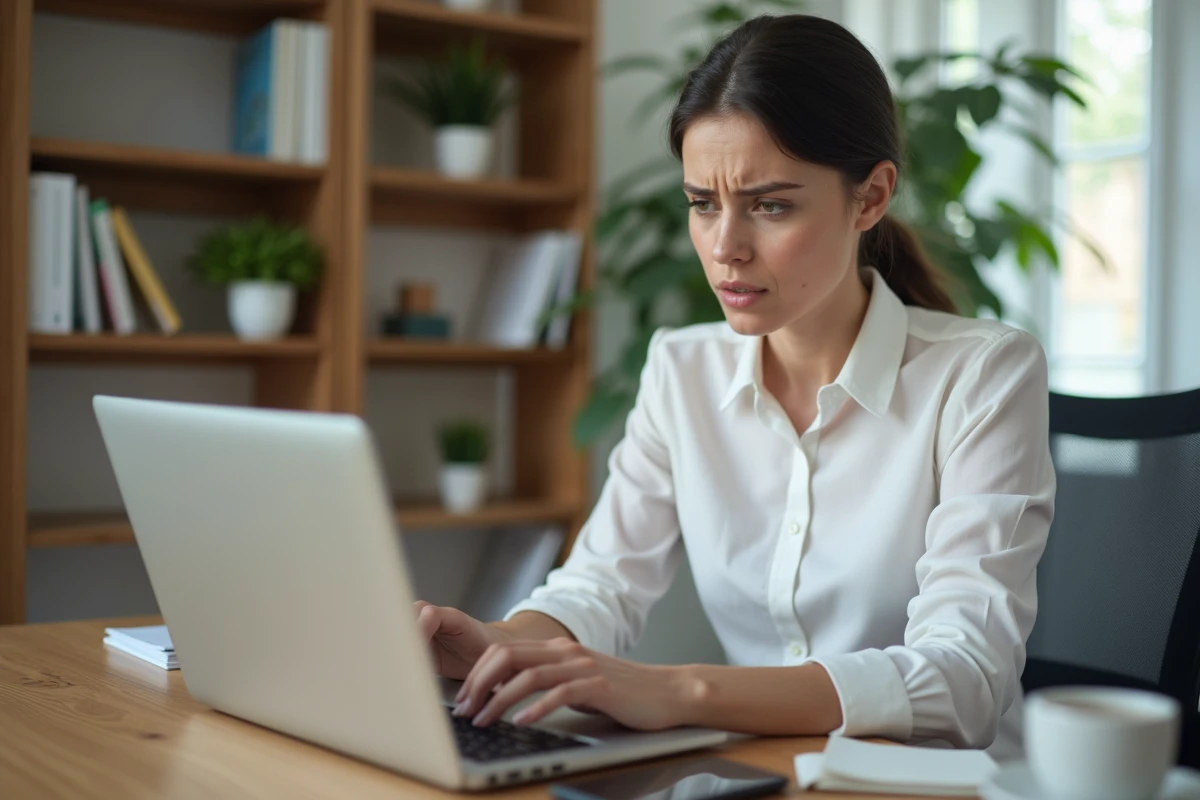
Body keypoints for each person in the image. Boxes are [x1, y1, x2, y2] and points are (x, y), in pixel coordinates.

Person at [414, 13, 1054, 760]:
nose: (725, 249)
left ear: (871, 196)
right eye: (703, 203)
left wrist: (681, 691)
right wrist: (497, 647)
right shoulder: (682, 370)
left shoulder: (983, 374)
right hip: (757, 771)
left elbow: (964, 679)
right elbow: (601, 586)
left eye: (770, 205)